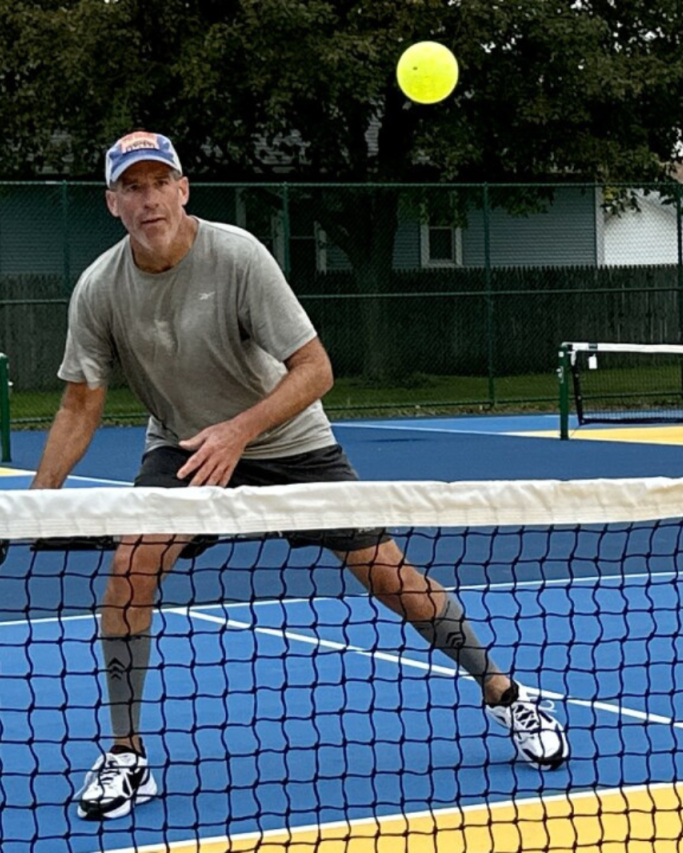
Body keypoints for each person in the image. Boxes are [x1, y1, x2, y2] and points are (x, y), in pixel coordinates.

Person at [33, 131, 569, 821]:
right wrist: (31, 510)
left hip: (288, 439)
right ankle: (128, 754)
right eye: (131, 188)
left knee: (389, 576)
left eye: (157, 182)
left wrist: (240, 430)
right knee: (132, 568)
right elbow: (80, 403)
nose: (147, 198)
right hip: (187, 447)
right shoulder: (100, 288)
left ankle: (505, 694)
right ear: (113, 203)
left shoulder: (237, 256)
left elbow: (316, 369)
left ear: (182, 188)